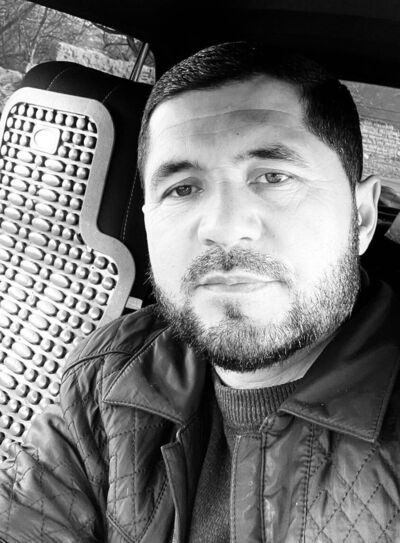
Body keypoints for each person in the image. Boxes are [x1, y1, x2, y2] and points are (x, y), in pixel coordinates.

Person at [0, 41, 399, 543]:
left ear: (361, 217)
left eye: (274, 177)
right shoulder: (104, 380)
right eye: (182, 188)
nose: (224, 228)